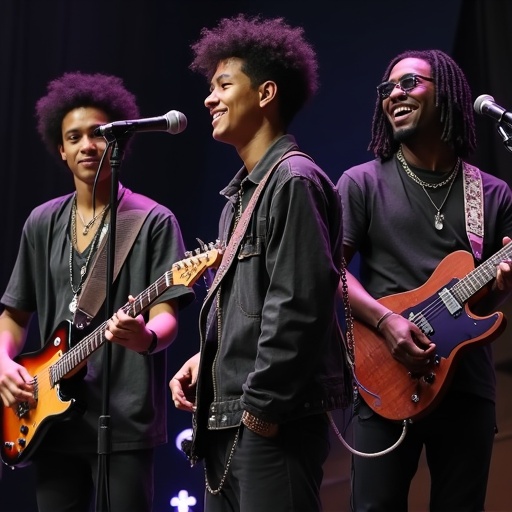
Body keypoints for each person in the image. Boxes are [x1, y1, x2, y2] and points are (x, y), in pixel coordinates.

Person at [169, 14, 352, 512]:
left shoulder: (293, 180)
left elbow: (298, 307)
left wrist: (261, 411)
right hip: (225, 422)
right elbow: (251, 309)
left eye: (224, 85)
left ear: (266, 93)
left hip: (269, 422)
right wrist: (208, 361)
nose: (209, 99)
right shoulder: (238, 201)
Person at [0, 71, 194, 511]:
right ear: (61, 150)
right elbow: (14, 314)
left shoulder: (153, 221)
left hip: (124, 421)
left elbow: (166, 316)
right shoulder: (41, 222)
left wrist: (144, 336)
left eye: (98, 134)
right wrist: (2, 362)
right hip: (49, 420)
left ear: (118, 143)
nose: (88, 145)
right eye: (75, 137)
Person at [337, 49, 512, 511]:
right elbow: (328, 270)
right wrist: (386, 322)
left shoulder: (491, 193)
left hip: (466, 384)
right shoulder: (361, 183)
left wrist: (500, 284)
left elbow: (489, 293)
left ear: (448, 96)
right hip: (384, 378)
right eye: (388, 88)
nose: (395, 93)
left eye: (411, 83)